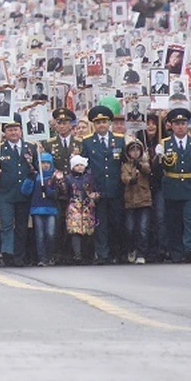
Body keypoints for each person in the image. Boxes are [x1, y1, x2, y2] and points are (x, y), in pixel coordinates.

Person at [154, 108, 191, 263]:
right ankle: (176, 251)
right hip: (172, 187)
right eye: (177, 124)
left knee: (189, 219)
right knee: (174, 221)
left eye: (183, 123)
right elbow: (158, 171)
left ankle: (189, 248)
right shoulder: (165, 143)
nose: (180, 127)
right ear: (171, 126)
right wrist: (157, 157)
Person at [0, 116, 37, 266]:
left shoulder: (31, 147)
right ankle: (7, 253)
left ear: (21, 131)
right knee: (7, 225)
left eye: (16, 129)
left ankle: (19, 255)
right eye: (10, 130)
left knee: (22, 226)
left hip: (24, 193)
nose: (13, 132)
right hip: (5, 194)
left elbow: (36, 168)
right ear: (5, 133)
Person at [81, 106, 126, 264]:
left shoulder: (120, 140)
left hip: (115, 188)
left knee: (117, 222)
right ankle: (102, 254)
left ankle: (117, 252)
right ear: (94, 124)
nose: (101, 125)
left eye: (104, 122)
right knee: (101, 224)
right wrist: (89, 189)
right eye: (98, 122)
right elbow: (85, 167)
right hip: (97, 190)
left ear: (109, 123)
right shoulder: (87, 142)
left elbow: (125, 164)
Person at [58, 155, 98, 264]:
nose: (79, 167)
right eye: (77, 165)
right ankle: (77, 255)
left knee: (88, 231)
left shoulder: (89, 177)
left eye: (81, 165)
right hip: (74, 207)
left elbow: (95, 190)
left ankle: (87, 254)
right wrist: (60, 182)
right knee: (75, 231)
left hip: (87, 207)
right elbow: (64, 191)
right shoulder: (68, 178)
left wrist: (95, 196)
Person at [22, 152, 57, 266]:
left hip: (51, 209)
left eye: (47, 163)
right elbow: (25, 191)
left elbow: (57, 193)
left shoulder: (54, 176)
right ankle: (42, 258)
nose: (45, 165)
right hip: (37, 209)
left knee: (50, 233)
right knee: (40, 235)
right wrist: (29, 179)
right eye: (43, 163)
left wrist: (47, 190)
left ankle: (50, 255)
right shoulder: (36, 176)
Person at [120, 139, 152, 264]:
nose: (135, 153)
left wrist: (140, 165)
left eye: (137, 150)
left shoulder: (144, 162)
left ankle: (141, 252)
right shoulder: (126, 165)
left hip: (144, 200)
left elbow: (148, 170)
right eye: (132, 150)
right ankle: (131, 248)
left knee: (143, 228)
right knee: (130, 228)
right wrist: (132, 178)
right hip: (130, 200)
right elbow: (124, 178)